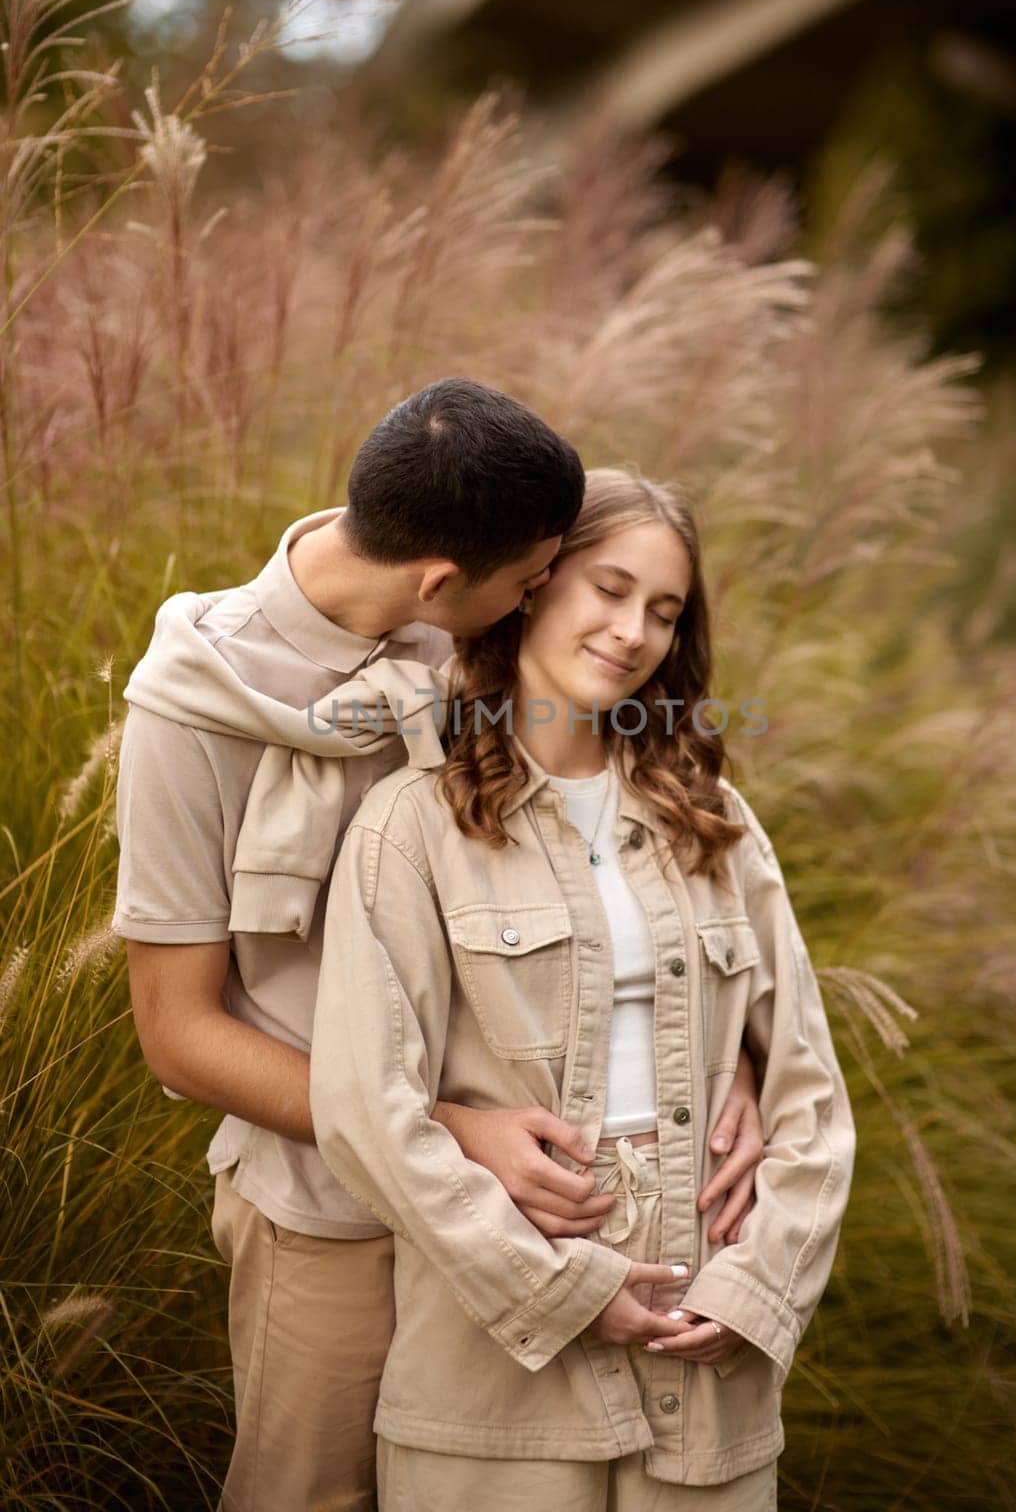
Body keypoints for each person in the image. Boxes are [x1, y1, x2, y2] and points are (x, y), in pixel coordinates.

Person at [112, 382, 768, 1512]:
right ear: (440, 585)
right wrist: (447, 1130)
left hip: (537, 1205)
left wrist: (730, 1059)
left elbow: (641, 867)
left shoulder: (467, 587)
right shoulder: (192, 714)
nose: (546, 599)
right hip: (334, 1210)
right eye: (535, 581)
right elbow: (178, 1036)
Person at [310, 467, 857, 1511]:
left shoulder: (716, 822)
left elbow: (809, 1091)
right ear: (534, 585)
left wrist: (758, 1290)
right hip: (493, 1374)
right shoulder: (414, 825)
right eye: (609, 588)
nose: (633, 630)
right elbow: (366, 1107)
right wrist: (555, 1289)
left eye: (664, 609)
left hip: (711, 1353)